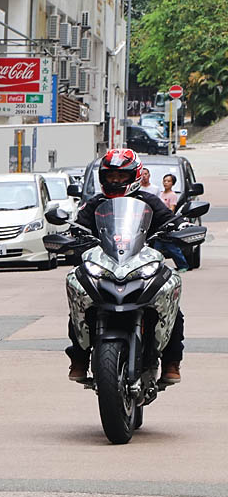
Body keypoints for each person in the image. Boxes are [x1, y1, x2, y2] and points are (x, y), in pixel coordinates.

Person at [66, 149, 184, 385]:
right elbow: (77, 226)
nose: (115, 181)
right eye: (110, 177)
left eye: (121, 176)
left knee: (171, 302)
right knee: (80, 300)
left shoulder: (147, 201)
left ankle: (172, 362)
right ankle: (79, 358)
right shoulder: (95, 203)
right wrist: (69, 236)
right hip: (105, 263)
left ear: (135, 176)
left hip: (140, 262)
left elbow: (172, 222)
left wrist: (182, 228)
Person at [153, 173, 190, 272]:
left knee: (171, 247)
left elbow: (171, 209)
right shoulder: (160, 194)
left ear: (173, 183)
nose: (166, 183)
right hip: (159, 224)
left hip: (167, 224)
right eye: (164, 181)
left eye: (168, 181)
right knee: (156, 247)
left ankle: (183, 265)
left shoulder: (172, 195)